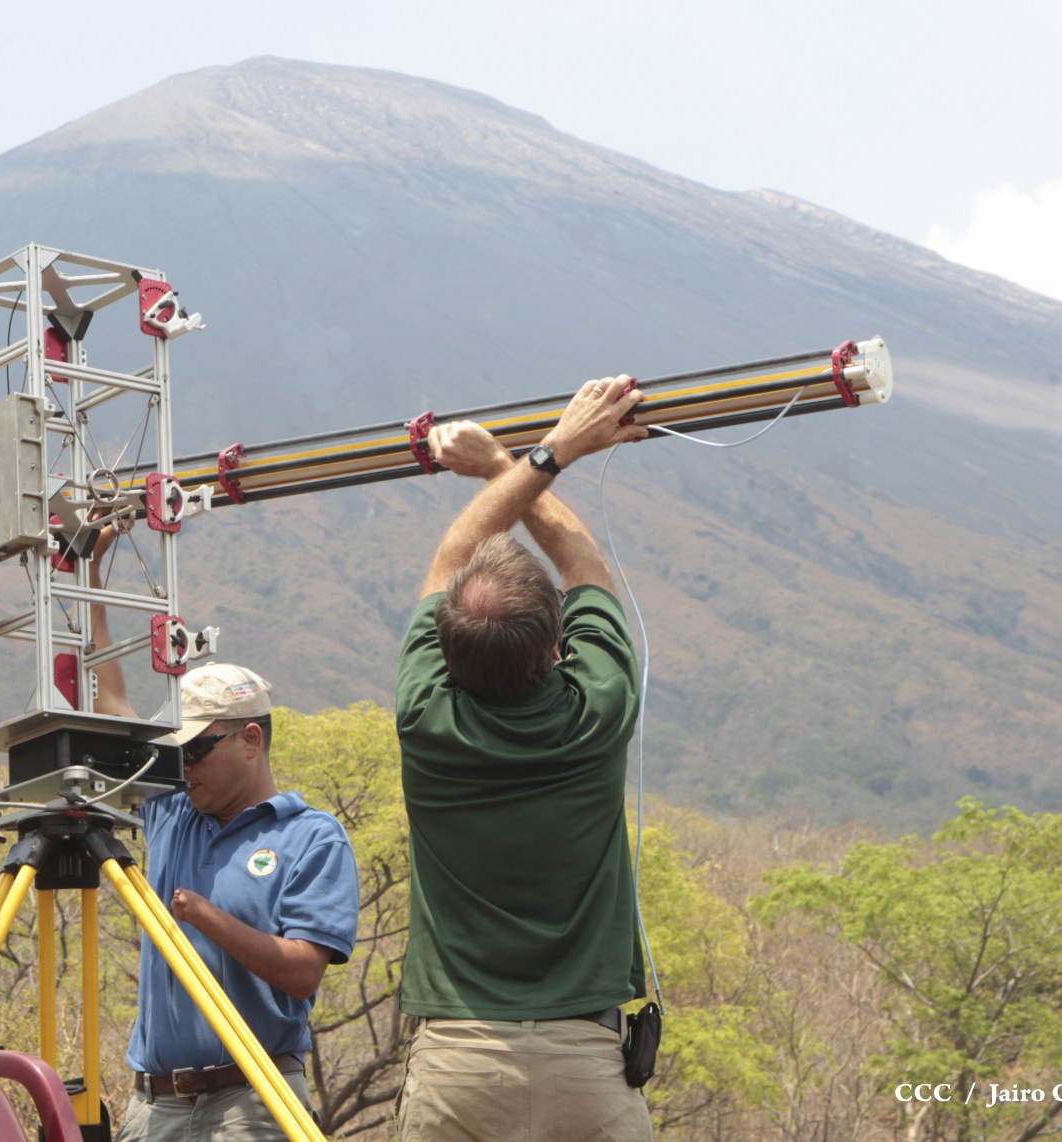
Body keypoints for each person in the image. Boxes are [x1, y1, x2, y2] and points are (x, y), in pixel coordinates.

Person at [393, 376, 655, 1142]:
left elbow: (452, 554)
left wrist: (543, 456)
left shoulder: (425, 718)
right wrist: (515, 459)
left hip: (456, 1063)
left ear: (442, 650)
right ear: (556, 647)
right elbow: (583, 567)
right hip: (585, 1063)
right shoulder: (595, 711)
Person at [86, 536, 359, 1141]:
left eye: (198, 750)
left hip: (254, 1101)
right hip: (155, 1105)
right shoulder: (174, 811)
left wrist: (207, 918)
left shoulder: (311, 838)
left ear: (250, 740)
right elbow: (113, 701)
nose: (183, 767)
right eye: (177, 753)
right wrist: (92, 579)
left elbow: (303, 973)